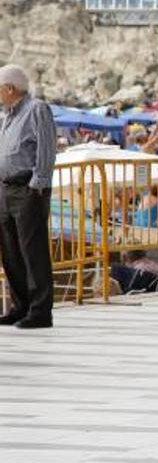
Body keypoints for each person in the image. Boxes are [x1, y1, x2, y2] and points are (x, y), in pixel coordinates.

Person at [0, 64, 56, 329]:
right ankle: (20, 306)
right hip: (6, 189)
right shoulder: (8, 115)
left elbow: (46, 149)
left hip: (27, 189)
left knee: (32, 251)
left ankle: (40, 311)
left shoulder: (37, 110)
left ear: (10, 88)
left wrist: (37, 186)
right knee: (11, 252)